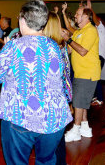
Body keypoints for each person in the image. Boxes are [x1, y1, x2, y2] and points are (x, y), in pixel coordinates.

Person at [0, 0, 72, 165]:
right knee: (46, 160)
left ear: (22, 21)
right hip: (53, 117)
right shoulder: (55, 46)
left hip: (20, 116)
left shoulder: (13, 46)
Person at [61, 7, 101, 142]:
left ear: (86, 16)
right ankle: (85, 128)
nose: (75, 17)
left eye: (77, 14)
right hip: (80, 72)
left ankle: (76, 129)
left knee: (78, 102)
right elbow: (71, 51)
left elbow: (83, 51)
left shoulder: (91, 30)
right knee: (81, 102)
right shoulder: (79, 32)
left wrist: (68, 40)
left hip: (88, 72)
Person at [44, 11, 73, 165]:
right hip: (61, 98)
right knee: (57, 141)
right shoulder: (60, 45)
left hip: (52, 99)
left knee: (50, 145)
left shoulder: (50, 47)